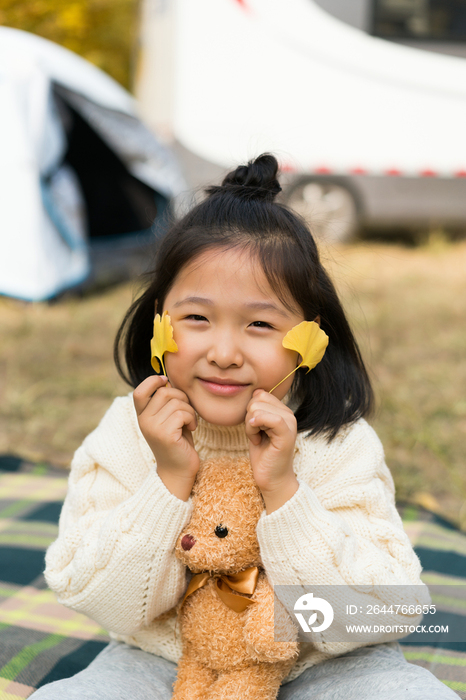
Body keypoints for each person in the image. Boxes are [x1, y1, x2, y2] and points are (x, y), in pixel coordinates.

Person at [32, 154, 458, 699]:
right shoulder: (125, 434)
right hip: (165, 662)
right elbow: (90, 592)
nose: (225, 352)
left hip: (321, 666)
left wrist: (284, 492)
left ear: (310, 337)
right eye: (197, 319)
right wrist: (167, 482)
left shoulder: (337, 444)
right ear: (161, 320)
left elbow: (387, 612)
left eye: (259, 323)